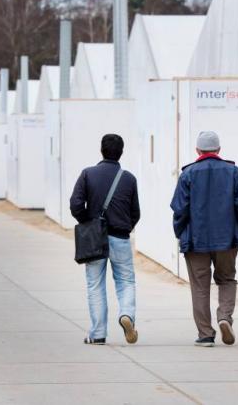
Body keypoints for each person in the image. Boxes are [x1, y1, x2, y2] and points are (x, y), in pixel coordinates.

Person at [170, 131, 238, 347]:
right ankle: (225, 316)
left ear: (198, 151)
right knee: (226, 279)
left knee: (200, 286)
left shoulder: (188, 174)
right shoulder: (233, 172)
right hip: (226, 239)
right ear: (218, 150)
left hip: (196, 241)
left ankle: (205, 334)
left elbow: (179, 208)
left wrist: (180, 233)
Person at [70, 134, 141, 345]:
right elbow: (135, 212)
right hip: (120, 237)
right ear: (122, 152)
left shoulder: (87, 174)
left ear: (101, 150)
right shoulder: (128, 178)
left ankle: (98, 333)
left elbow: (75, 204)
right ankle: (126, 314)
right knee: (126, 281)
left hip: (94, 239)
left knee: (95, 284)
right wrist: (125, 228)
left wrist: (89, 224)